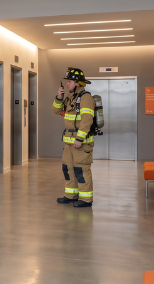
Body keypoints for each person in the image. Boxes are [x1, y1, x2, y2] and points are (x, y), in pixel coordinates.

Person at [51, 67, 96, 208]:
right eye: (67, 81)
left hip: (81, 143)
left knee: (81, 170)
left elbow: (87, 120)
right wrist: (59, 96)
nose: (67, 84)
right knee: (68, 168)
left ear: (77, 83)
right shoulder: (70, 97)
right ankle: (71, 195)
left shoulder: (85, 97)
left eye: (70, 81)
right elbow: (56, 110)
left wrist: (79, 139)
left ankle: (86, 199)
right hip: (69, 142)